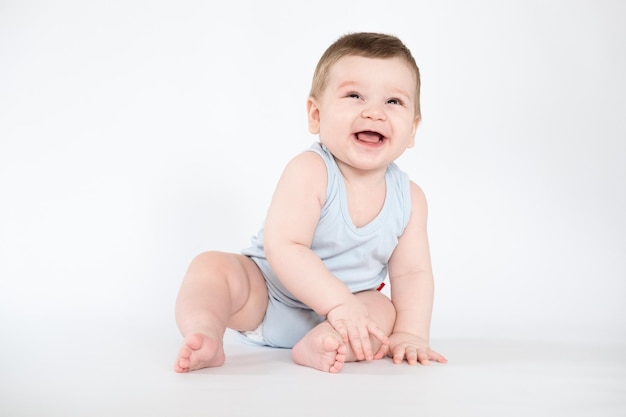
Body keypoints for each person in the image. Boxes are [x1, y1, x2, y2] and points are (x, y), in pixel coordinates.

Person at [174, 31, 447, 373]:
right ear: (316, 115)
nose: (375, 112)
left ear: (413, 130)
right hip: (268, 299)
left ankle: (324, 344)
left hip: (348, 316)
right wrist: (338, 302)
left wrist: (411, 333)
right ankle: (205, 331)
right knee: (212, 267)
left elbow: (412, 273)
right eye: (354, 95)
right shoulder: (311, 170)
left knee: (383, 311)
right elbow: (285, 246)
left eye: (393, 102)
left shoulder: (411, 199)